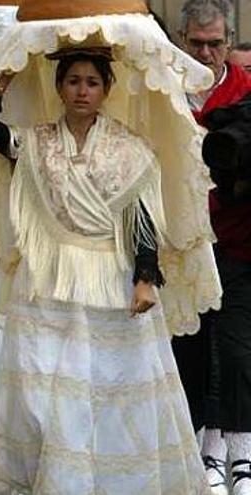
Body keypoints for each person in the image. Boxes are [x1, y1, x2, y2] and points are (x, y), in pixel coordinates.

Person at [0, 47, 208, 493]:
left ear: (107, 89)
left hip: (110, 284)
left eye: (92, 82)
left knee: (107, 388)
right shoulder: (35, 143)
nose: (82, 91)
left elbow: (142, 219)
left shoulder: (131, 149)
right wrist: (10, 73)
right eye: (73, 81)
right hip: (46, 283)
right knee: (40, 390)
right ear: (59, 88)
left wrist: (145, 279)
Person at [177, 1, 251, 493]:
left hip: (238, 236)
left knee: (239, 350)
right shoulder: (163, 88)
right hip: (179, 243)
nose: (206, 52)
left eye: (215, 43)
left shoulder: (246, 91)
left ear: (229, 41)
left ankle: (241, 453)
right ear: (182, 41)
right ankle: (205, 449)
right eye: (197, 43)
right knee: (193, 351)